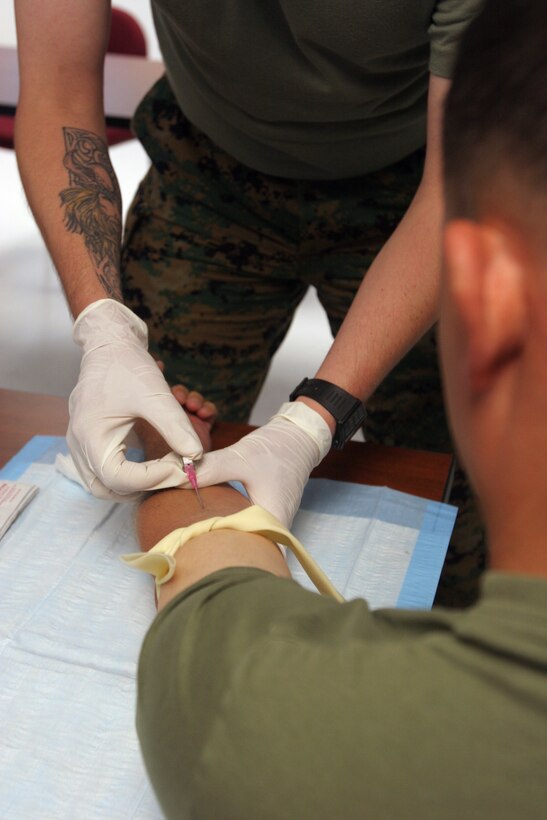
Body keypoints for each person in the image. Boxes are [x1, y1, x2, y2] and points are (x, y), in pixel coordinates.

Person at [125, 0, 547, 815]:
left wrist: (181, 465)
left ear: (486, 314)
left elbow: (214, 624)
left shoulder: (276, 721)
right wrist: (102, 319)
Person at [14, 0, 483, 607]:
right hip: (206, 168)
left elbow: (464, 177)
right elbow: (56, 90)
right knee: (164, 443)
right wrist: (102, 325)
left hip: (416, 170)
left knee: (457, 507)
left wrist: (317, 419)